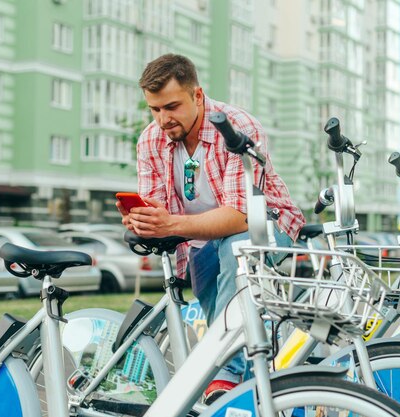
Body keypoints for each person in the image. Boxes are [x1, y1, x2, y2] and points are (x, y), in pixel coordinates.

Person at [116, 53, 305, 404]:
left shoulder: (236, 128)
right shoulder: (150, 140)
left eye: (171, 106)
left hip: (264, 226)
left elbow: (240, 215)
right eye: (154, 109)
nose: (163, 119)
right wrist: (146, 218)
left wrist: (171, 223)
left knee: (237, 246)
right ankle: (245, 391)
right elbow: (158, 205)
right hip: (198, 241)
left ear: (198, 95)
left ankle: (222, 377)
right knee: (227, 320)